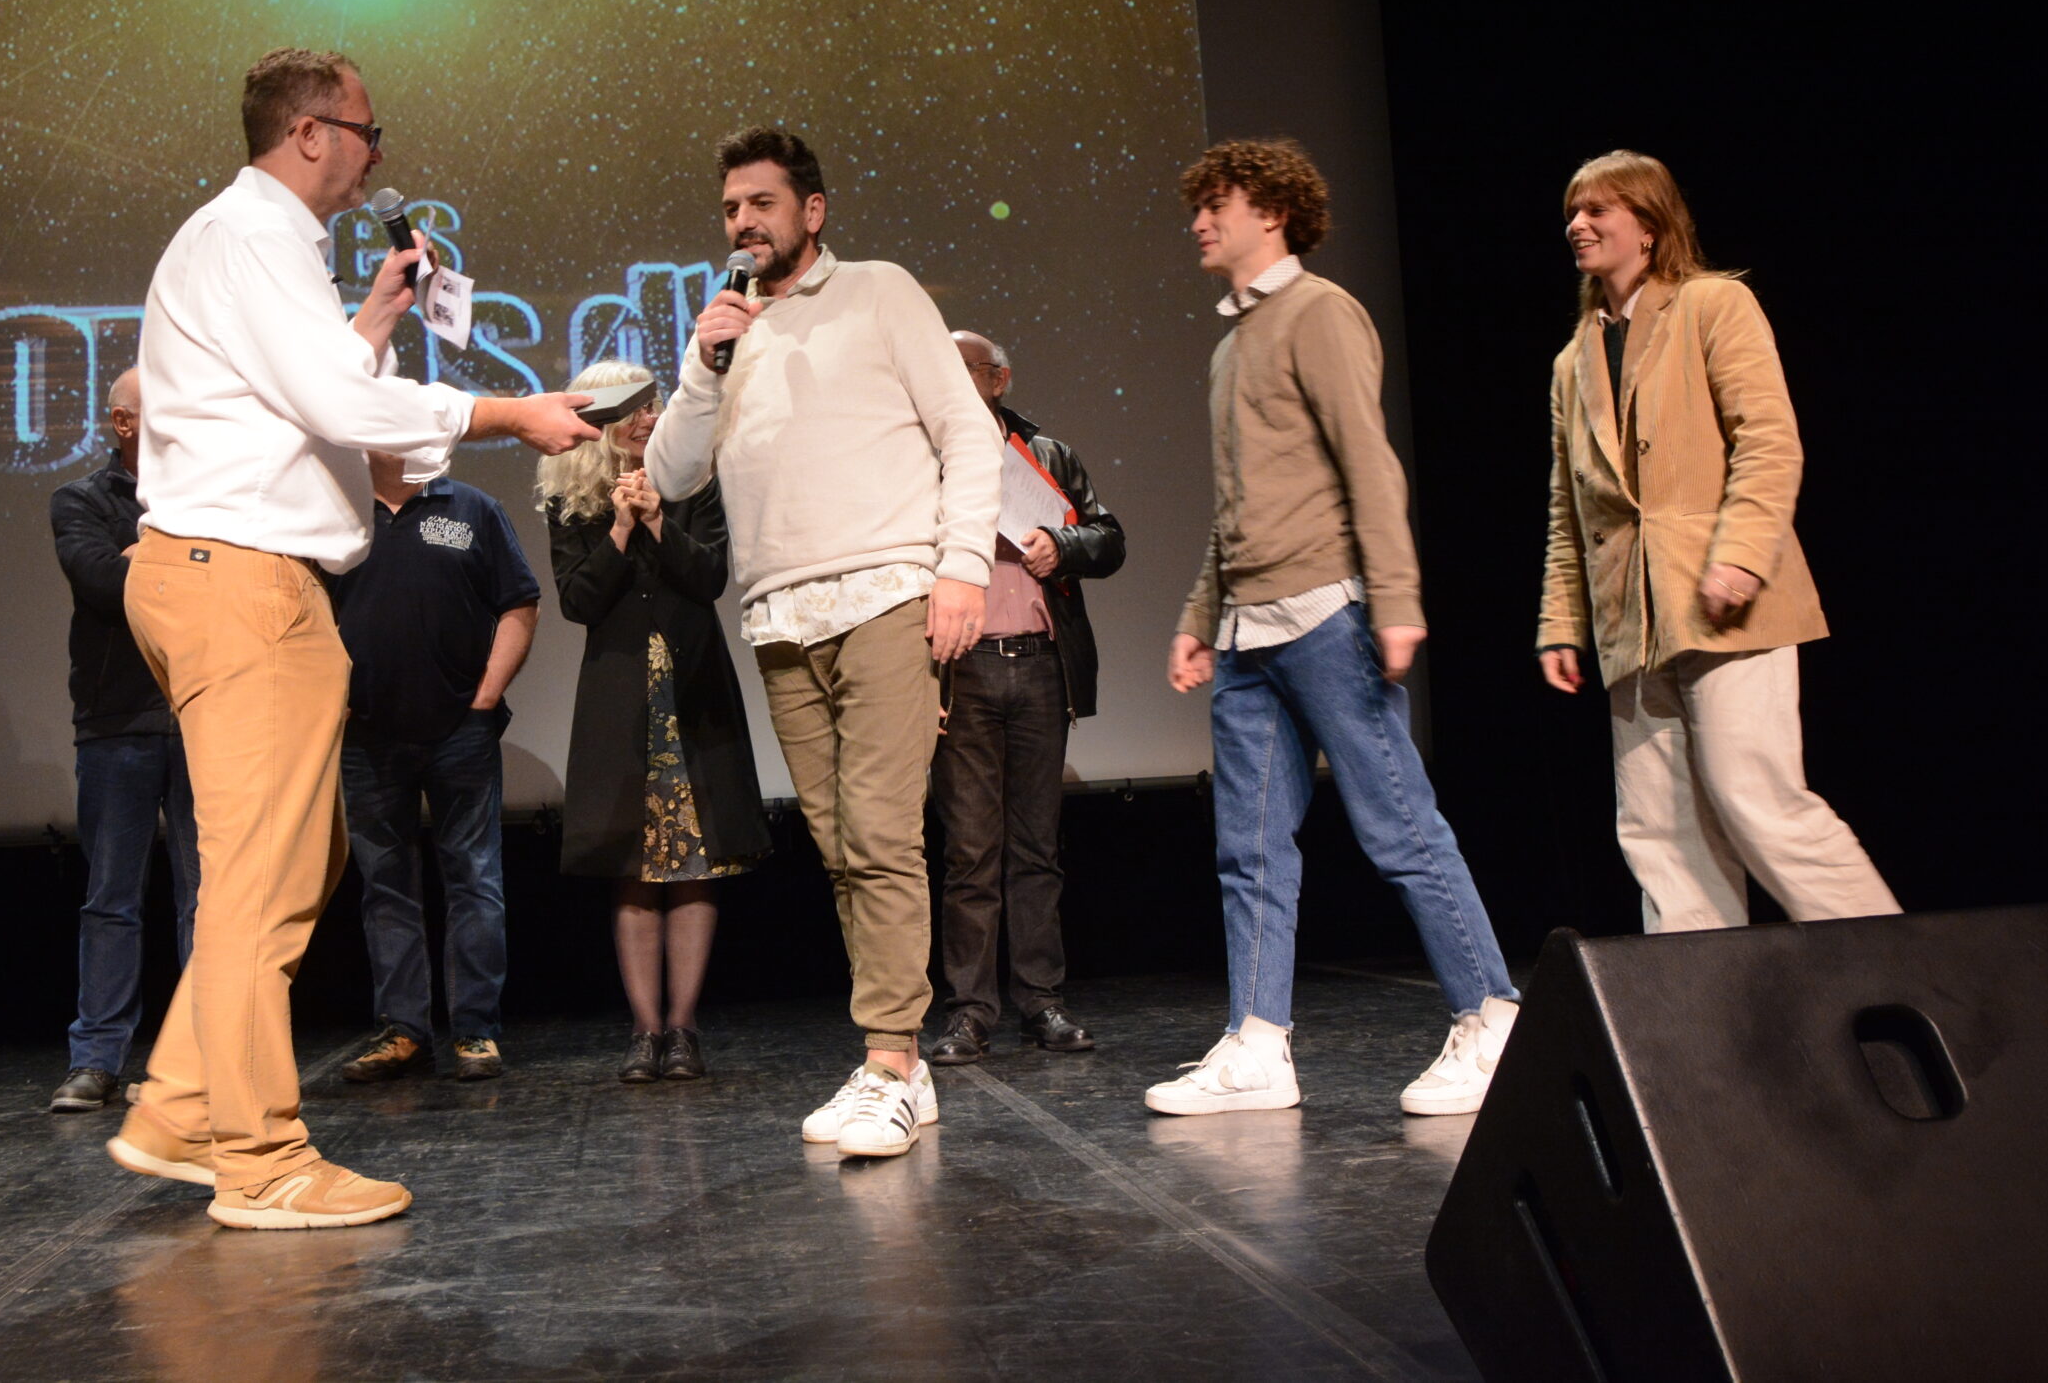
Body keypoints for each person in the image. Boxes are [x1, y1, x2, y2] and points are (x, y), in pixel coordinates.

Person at [106, 46, 594, 1231]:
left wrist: (371, 321)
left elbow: (304, 396)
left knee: (294, 865)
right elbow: (334, 408)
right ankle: (260, 1160)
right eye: (370, 132)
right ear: (311, 133)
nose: (381, 154)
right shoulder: (251, 235)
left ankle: (182, 1107)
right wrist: (508, 412)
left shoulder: (263, 244)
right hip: (239, 581)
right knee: (255, 881)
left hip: (245, 580)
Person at [648, 126, 1001, 1158]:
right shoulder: (723, 331)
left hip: (887, 592)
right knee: (844, 850)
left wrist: (962, 567)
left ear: (812, 210)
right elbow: (670, 475)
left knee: (882, 836)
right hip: (780, 615)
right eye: (730, 208)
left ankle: (887, 1060)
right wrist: (705, 363)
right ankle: (902, 1067)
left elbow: (967, 431)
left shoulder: (881, 292)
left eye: (761, 203)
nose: (743, 223)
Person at [1155, 137, 1518, 1120]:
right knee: (1249, 848)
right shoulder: (1229, 346)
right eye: (1198, 206)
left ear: (1273, 212)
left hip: (1325, 616)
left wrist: (1395, 600)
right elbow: (1236, 503)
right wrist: (1199, 616)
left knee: (1398, 826)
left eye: (1218, 204)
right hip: (1247, 634)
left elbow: (1369, 461)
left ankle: (1491, 1016)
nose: (1200, 221)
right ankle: (1257, 1044)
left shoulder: (1320, 312)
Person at [1538, 149, 1899, 931]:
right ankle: (1702, 999)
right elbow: (1569, 510)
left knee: (1757, 798)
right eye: (1572, 212)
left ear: (1649, 225)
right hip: (1630, 615)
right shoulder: (1573, 361)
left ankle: (1895, 965)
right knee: (1660, 831)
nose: (1578, 224)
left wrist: (1739, 556)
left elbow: (1768, 441)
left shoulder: (1712, 304)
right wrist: (1562, 623)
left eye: (1598, 209)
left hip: (1723, 599)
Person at [541, 360, 770, 1085]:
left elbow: (709, 577)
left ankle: (684, 1029)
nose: (649, 418)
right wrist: (620, 527)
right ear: (602, 422)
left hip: (691, 693)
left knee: (697, 864)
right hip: (619, 700)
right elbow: (578, 601)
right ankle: (644, 1031)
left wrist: (659, 521)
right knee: (633, 869)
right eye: (635, 409)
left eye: (654, 406)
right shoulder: (572, 503)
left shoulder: (694, 483)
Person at [923, 333, 1124, 1067]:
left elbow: (1109, 538)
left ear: (999, 378)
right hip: (963, 669)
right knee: (970, 853)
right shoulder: (921, 459)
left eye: (963, 369)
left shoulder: (1047, 454)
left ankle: (1042, 1001)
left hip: (1039, 667)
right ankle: (970, 1011)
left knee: (1036, 849)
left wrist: (1061, 547)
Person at [331, 450, 540, 1087]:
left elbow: (519, 602)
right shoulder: (334, 512)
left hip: (459, 731)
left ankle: (475, 1028)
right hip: (366, 735)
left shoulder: (472, 508)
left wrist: (486, 697)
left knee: (474, 878)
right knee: (385, 885)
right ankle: (403, 1030)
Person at [47, 368, 199, 1113]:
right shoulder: (81, 499)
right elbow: (104, 583)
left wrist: (143, 559)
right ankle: (97, 1058)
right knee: (112, 897)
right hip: (117, 721)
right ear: (123, 422)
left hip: (204, 714)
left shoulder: (210, 495)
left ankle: (207, 1058)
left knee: (209, 899)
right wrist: (176, 561)